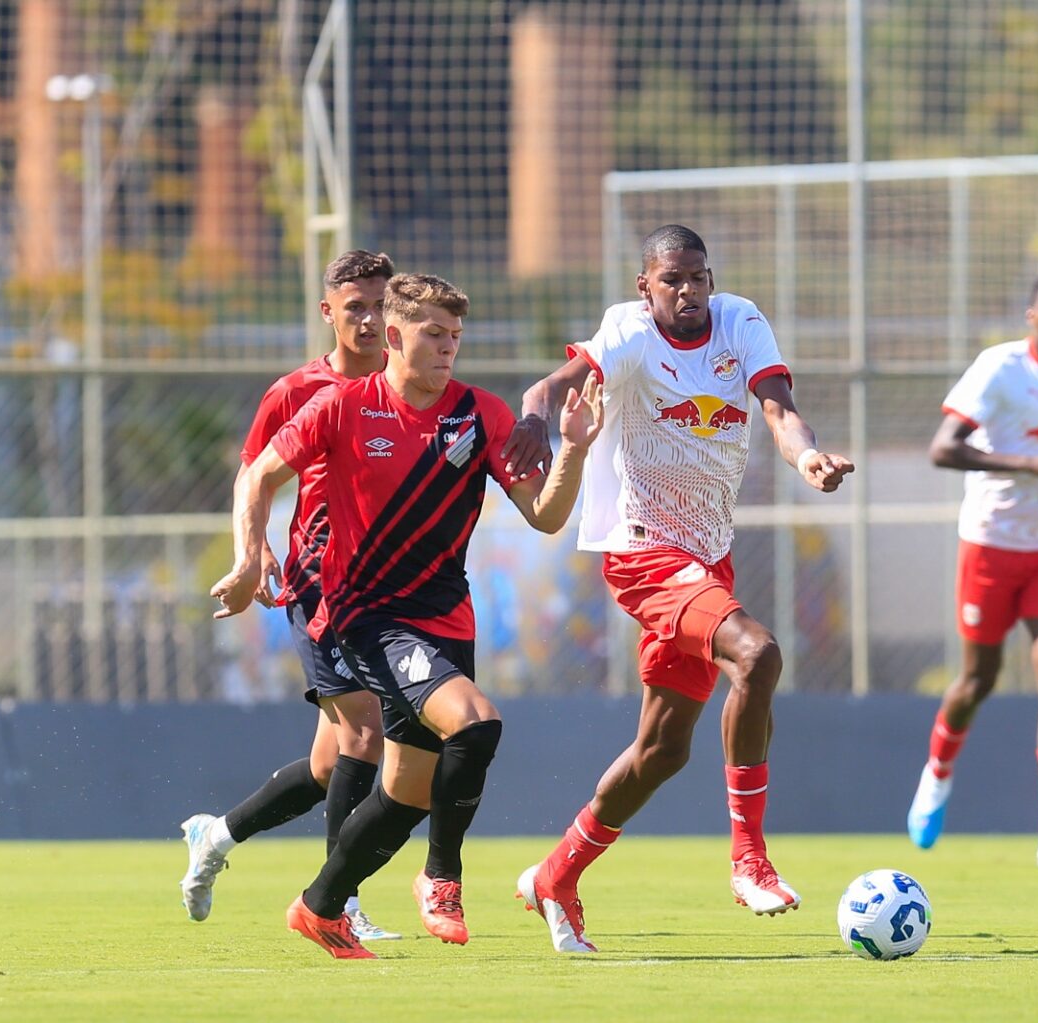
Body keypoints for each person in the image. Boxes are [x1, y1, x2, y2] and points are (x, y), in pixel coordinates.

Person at [210, 272, 602, 959]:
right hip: (368, 618)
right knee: (477, 722)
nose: (449, 348)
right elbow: (258, 474)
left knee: (405, 794)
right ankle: (441, 875)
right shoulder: (342, 407)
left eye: (456, 336)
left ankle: (320, 905)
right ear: (395, 336)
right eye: (433, 335)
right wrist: (249, 557)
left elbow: (544, 516)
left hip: (448, 620)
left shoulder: (480, 414)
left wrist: (573, 448)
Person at [501, 224, 854, 953]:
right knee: (756, 653)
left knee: (662, 749)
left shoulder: (741, 322)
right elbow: (549, 385)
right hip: (642, 553)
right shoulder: (628, 335)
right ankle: (748, 858)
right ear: (646, 288)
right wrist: (536, 419)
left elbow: (779, 409)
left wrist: (809, 456)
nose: (689, 292)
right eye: (673, 281)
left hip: (705, 560)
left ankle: (555, 875)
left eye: (699, 277)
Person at [179, 250, 400, 940]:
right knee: (367, 727)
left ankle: (215, 835)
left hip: (386, 590)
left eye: (379, 304)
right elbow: (255, 476)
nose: (368, 319)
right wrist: (255, 551)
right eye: (354, 306)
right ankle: (339, 904)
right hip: (318, 583)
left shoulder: (408, 385)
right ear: (327, 311)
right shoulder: (296, 390)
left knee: (331, 762)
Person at [906, 271, 1038, 868]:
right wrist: (1033, 464)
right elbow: (943, 448)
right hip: (993, 542)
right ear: (1030, 315)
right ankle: (938, 776)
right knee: (978, 680)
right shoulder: (999, 369)